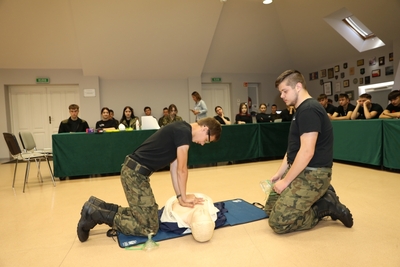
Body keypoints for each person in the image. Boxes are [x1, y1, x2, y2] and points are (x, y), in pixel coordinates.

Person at [76, 117, 222, 242]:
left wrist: (180, 197)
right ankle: (96, 214)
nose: (203, 143)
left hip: (135, 172)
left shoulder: (181, 129)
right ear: (204, 128)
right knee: (149, 228)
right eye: (207, 140)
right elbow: (182, 170)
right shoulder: (184, 133)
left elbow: (174, 168)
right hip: (134, 175)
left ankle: (98, 206)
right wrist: (184, 197)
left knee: (150, 216)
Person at [266, 69, 353, 234]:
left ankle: (323, 206)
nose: (282, 96)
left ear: (298, 87)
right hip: (301, 169)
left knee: (278, 223)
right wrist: (280, 173)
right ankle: (320, 195)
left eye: (285, 91)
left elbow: (307, 152)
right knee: (270, 209)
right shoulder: (301, 110)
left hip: (313, 173)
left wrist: (285, 182)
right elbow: (293, 149)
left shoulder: (309, 110)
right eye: (281, 92)